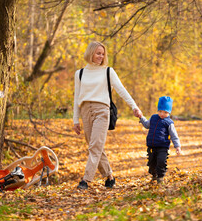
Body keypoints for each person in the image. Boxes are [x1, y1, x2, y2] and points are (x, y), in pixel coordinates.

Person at [73, 41, 142, 189]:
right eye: (98, 53)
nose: (101, 56)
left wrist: (134, 106)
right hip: (85, 111)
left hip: (102, 111)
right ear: (90, 53)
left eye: (103, 54)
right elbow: (76, 97)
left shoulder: (108, 71)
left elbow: (121, 90)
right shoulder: (80, 73)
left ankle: (86, 180)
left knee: (95, 146)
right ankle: (109, 177)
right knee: (95, 147)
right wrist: (75, 120)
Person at [138, 96, 181, 184]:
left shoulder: (169, 123)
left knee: (161, 162)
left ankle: (160, 177)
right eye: (160, 111)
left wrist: (177, 146)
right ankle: (154, 175)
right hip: (151, 146)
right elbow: (147, 125)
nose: (162, 114)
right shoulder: (153, 118)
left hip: (162, 147)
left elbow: (174, 135)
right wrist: (141, 118)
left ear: (169, 112)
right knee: (151, 162)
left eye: (165, 112)